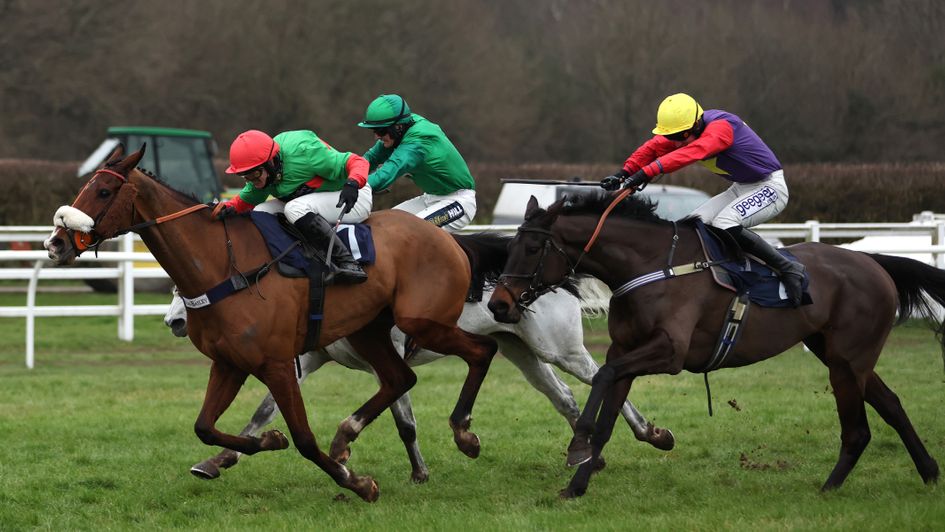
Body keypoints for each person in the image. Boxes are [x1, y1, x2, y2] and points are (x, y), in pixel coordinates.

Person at [600, 93, 805, 306]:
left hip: (770, 187)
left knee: (724, 223)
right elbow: (652, 148)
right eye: (673, 137)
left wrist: (644, 174)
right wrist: (623, 173)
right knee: (692, 225)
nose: (677, 143)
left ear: (697, 124)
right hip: (741, 188)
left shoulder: (722, 128)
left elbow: (692, 153)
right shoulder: (685, 130)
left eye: (681, 136)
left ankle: (788, 268)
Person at [216, 129, 372, 284]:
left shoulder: (305, 151)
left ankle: (349, 263)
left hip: (353, 197)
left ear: (271, 163)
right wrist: (222, 208)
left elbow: (357, 161)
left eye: (255, 174)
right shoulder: (262, 175)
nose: (252, 180)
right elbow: (244, 202)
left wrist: (353, 183)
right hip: (315, 202)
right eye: (246, 176)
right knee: (261, 212)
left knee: (293, 208)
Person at [356, 94, 476, 232]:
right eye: (374, 130)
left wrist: (353, 186)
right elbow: (369, 159)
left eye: (381, 130)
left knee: (408, 233)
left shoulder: (417, 141)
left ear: (398, 127)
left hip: (459, 202)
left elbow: (387, 173)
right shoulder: (401, 128)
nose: (377, 136)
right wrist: (343, 180)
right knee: (381, 228)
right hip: (430, 198)